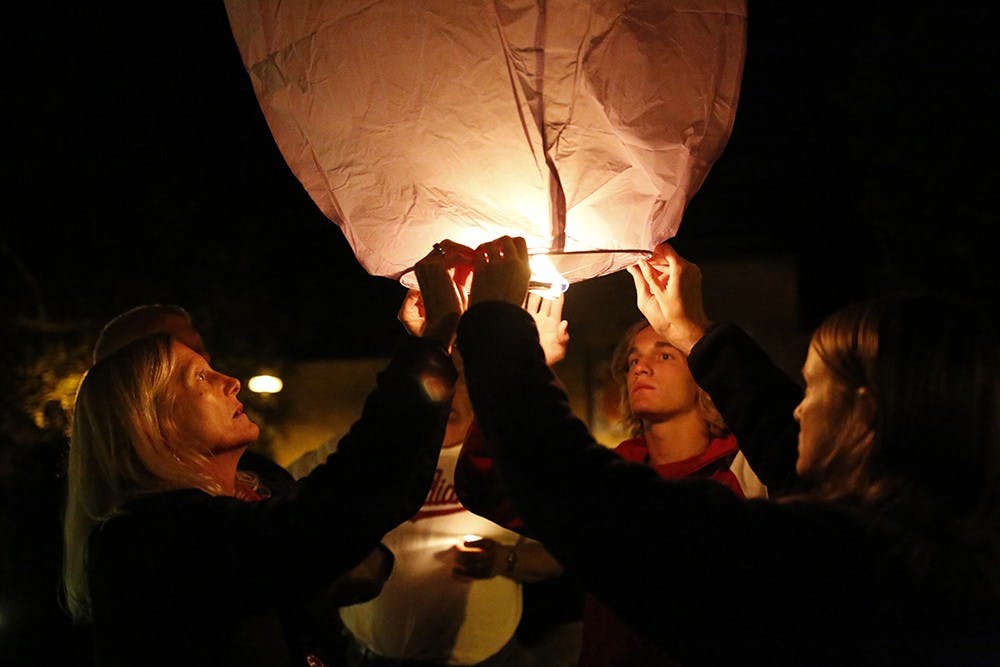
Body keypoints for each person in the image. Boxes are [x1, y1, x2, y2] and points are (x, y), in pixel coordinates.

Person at [452, 236, 1000, 666]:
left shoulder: (830, 567)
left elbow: (587, 499)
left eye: (812, 390)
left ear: (867, 413)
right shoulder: (945, 560)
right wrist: (694, 331)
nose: (799, 410)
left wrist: (500, 333)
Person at [61, 244, 468, 667]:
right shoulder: (148, 540)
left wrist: (428, 349)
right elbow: (328, 516)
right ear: (148, 417)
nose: (231, 381)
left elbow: (361, 494)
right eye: (198, 375)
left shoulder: (255, 491)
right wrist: (432, 346)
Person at [456, 294, 766, 667]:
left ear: (705, 377)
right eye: (634, 358)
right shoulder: (612, 471)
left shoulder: (745, 471)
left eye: (664, 355)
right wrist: (528, 365)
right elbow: (491, 485)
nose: (640, 367)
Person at [287, 283, 569, 667]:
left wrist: (503, 561)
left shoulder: (498, 458)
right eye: (437, 378)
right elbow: (284, 513)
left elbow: (566, 549)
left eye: (459, 380)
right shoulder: (369, 452)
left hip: (485, 656)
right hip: (370, 654)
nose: (448, 392)